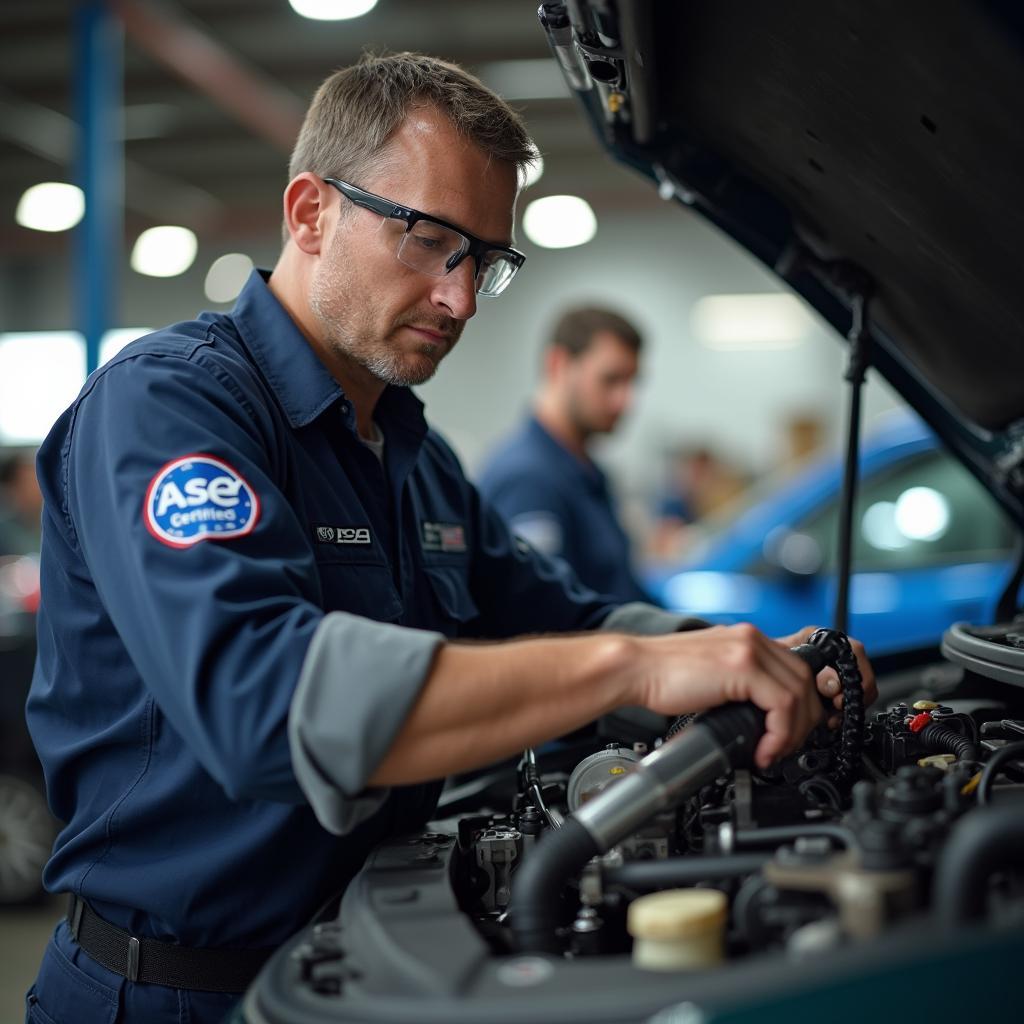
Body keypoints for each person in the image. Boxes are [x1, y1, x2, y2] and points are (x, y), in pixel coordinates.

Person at [25, 53, 873, 1024]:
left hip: (360, 967)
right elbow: (264, 700)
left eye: (485, 260)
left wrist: (738, 657)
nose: (461, 298)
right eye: (429, 242)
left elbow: (557, 616)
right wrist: (631, 669)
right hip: (167, 993)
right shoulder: (169, 406)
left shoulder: (409, 454)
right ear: (310, 213)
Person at [478, 307, 650, 602]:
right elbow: (543, 614)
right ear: (557, 364)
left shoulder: (588, 474)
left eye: (632, 382)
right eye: (610, 380)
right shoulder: (528, 479)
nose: (625, 401)